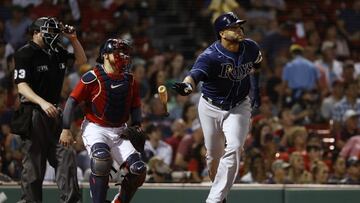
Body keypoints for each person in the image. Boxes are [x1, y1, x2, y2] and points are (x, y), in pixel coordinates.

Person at [172, 12, 262, 203]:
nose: (239, 30)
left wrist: (256, 91)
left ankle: (213, 199)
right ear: (222, 33)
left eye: (239, 26)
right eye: (234, 27)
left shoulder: (250, 47)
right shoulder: (210, 56)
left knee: (235, 147)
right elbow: (194, 75)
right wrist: (187, 87)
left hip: (239, 105)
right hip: (210, 107)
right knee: (214, 156)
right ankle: (220, 198)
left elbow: (257, 65)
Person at [60, 38, 146, 203]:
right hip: (96, 128)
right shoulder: (92, 77)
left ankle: (120, 201)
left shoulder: (130, 80)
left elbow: (135, 105)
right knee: (101, 160)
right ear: (105, 55)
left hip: (121, 130)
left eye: (125, 53)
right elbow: (72, 101)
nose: (124, 56)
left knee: (138, 170)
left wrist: (137, 125)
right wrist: (65, 128)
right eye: (119, 53)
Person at [12, 16, 86, 203]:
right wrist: (42, 102)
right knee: (34, 169)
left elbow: (82, 60)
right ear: (36, 33)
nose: (53, 35)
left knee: (67, 158)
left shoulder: (58, 52)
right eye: (49, 31)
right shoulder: (24, 53)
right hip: (34, 113)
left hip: (55, 114)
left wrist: (74, 39)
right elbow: (21, 85)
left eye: (55, 32)